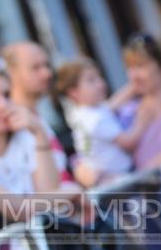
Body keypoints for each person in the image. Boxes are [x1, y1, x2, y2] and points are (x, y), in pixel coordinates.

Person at [0, 57, 81, 221]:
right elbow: (19, 210)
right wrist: (70, 192)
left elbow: (49, 191)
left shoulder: (27, 137)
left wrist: (39, 133)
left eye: (6, 95)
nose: (2, 105)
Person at [1, 41, 75, 185]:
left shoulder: (34, 117)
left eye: (46, 65)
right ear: (11, 73)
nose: (47, 73)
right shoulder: (13, 124)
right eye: (35, 68)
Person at [55, 57, 134, 188]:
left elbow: (111, 106)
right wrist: (146, 116)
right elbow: (129, 143)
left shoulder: (84, 113)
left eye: (99, 77)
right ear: (73, 92)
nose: (100, 84)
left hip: (109, 180)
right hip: (119, 181)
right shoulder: (96, 121)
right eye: (91, 80)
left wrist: (133, 88)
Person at [114, 32, 161, 171]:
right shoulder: (128, 111)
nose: (133, 75)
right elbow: (95, 128)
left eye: (140, 66)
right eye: (129, 67)